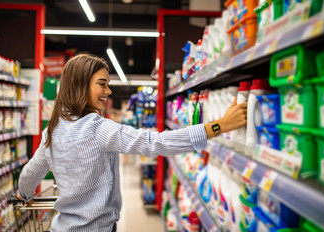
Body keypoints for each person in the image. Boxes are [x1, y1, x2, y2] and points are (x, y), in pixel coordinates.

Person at [17, 54, 247, 231]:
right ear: (80, 85)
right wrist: (219, 126)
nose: (108, 90)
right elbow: (153, 142)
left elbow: (30, 173)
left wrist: (23, 194)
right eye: (102, 83)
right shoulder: (97, 127)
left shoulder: (52, 130)